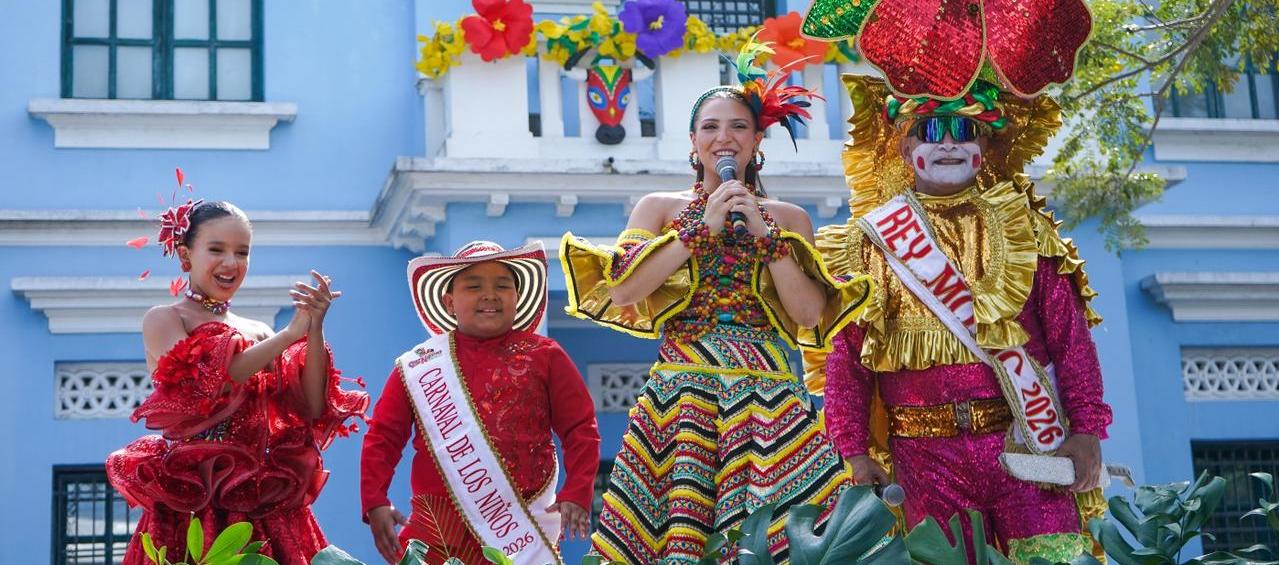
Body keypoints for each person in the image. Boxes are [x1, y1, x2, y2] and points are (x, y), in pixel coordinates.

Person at [560, 38, 873, 564]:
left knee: (777, 542)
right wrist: (697, 232)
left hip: (769, 399)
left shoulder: (788, 218)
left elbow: (807, 315)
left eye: (738, 127)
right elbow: (625, 291)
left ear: (757, 140)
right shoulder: (658, 207)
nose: (723, 138)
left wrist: (767, 238)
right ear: (693, 141)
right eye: (710, 127)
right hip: (683, 401)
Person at [107, 199, 369, 565]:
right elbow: (208, 385)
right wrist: (286, 335)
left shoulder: (258, 332)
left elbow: (309, 407)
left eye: (242, 252)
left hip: (258, 502)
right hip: (189, 504)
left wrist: (313, 328)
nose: (231, 263)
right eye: (217, 250)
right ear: (185, 255)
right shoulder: (165, 319)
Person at [360, 241, 601, 565]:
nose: (490, 295)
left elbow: (581, 429)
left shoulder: (546, 355)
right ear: (449, 302)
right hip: (437, 534)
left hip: (522, 534)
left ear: (517, 297)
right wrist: (375, 500)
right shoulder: (419, 365)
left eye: (502, 286)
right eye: (474, 287)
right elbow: (383, 437)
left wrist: (577, 491)